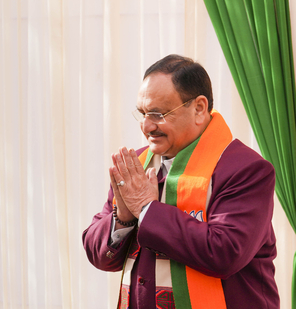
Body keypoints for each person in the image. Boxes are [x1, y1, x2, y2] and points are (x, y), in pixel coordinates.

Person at [82, 54, 279, 308]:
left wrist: (147, 209)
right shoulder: (137, 166)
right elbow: (99, 257)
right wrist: (123, 217)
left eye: (158, 114)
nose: (146, 126)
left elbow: (225, 254)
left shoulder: (245, 170)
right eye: (142, 113)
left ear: (199, 108)